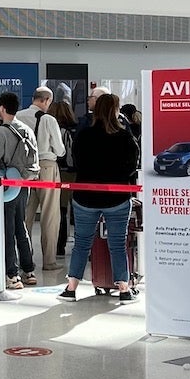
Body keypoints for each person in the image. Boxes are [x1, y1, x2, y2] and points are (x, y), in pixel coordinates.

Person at [60, 93, 140, 302]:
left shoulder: (84, 135)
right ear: (116, 110)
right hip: (117, 198)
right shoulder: (124, 137)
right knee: (117, 243)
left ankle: (71, 288)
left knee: (82, 243)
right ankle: (123, 289)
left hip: (85, 198)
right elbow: (132, 166)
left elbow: (76, 161)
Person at [0, 92, 41, 289]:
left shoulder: (0, 132)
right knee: (21, 226)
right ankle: (29, 270)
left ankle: (12, 274)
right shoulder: (27, 129)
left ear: (2, 108)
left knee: (6, 228)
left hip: (6, 185)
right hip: (23, 184)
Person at [23, 87, 66, 272]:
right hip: (47, 167)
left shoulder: (18, 117)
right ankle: (49, 261)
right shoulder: (48, 119)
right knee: (50, 215)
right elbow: (60, 149)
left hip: (23, 170)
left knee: (25, 216)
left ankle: (24, 259)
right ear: (47, 100)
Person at [48, 98, 78, 262]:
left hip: (58, 172)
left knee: (60, 210)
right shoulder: (75, 130)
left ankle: (59, 246)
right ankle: (80, 245)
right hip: (74, 174)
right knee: (78, 211)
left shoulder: (53, 129)